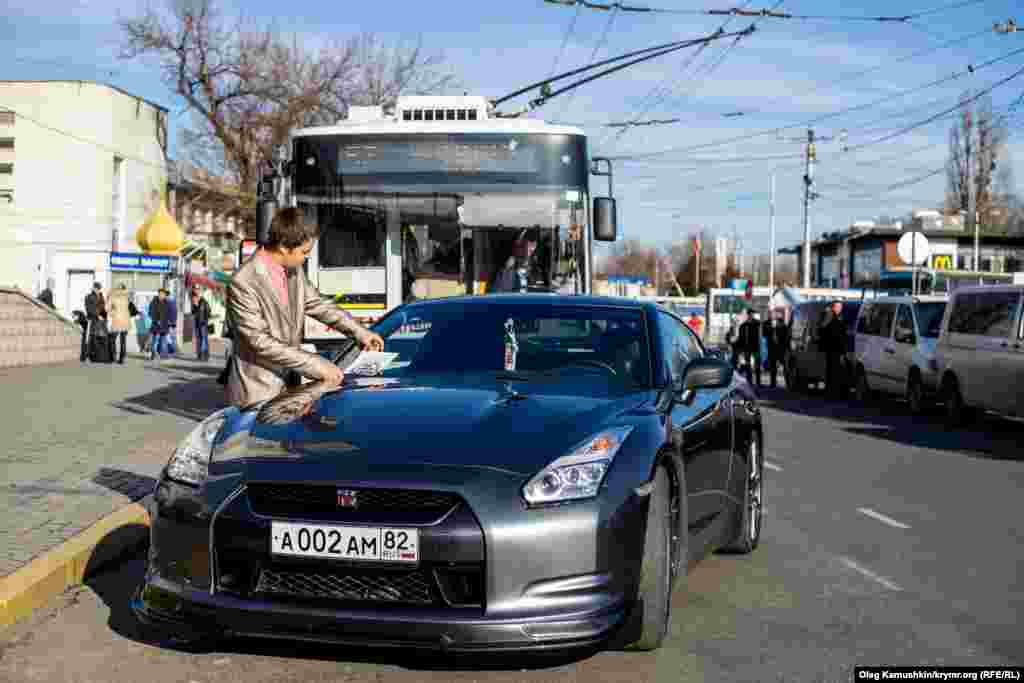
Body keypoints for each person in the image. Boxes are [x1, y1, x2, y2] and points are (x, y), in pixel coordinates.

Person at [226, 206, 384, 408]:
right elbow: (259, 341)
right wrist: (317, 365)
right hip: (257, 393)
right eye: (304, 252)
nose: (307, 257)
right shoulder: (244, 282)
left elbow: (318, 304)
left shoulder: (293, 269)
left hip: (291, 388)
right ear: (283, 246)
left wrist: (360, 332)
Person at [820, 300, 848, 399]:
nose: (839, 309)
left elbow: (843, 333)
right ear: (833, 307)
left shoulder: (841, 317)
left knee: (837, 371)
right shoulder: (830, 316)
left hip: (839, 348)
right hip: (831, 348)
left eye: (840, 307)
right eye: (837, 307)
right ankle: (830, 392)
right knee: (832, 371)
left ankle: (835, 392)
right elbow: (823, 328)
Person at [763, 308, 790, 389]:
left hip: (781, 349)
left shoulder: (784, 326)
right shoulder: (769, 325)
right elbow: (765, 334)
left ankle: (788, 383)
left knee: (785, 366)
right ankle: (773, 383)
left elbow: (786, 338)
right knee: (773, 367)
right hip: (772, 349)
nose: (775, 315)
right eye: (773, 314)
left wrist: (786, 348)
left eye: (776, 314)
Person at [81, 282, 107, 363]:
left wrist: (104, 317)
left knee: (98, 339)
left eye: (99, 289)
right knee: (89, 339)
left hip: (100, 322)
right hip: (91, 320)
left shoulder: (101, 297)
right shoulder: (89, 297)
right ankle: (86, 356)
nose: (98, 290)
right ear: (94, 288)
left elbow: (103, 308)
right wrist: (97, 315)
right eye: (97, 289)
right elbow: (89, 309)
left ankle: (96, 357)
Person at [107, 283, 132, 364]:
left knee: (112, 339)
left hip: (117, 320)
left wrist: (112, 313)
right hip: (125, 320)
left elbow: (107, 307)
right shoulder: (127, 296)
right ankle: (122, 358)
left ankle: (113, 357)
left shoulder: (113, 296)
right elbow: (129, 307)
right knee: (123, 340)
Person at [737, 308, 762, 386]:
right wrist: (740, 349)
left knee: (757, 365)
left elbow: (761, 335)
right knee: (747, 365)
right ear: (747, 315)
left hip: (756, 348)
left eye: (752, 314)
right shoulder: (743, 325)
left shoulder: (758, 324)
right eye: (750, 314)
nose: (751, 316)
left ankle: (758, 382)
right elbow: (741, 338)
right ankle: (749, 380)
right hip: (746, 348)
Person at [148, 289, 172, 360]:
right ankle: (153, 354)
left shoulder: (167, 302)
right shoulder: (154, 302)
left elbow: (169, 313)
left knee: (163, 340)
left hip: (164, 325)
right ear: (159, 294)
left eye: (163, 294)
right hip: (156, 325)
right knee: (155, 340)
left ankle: (162, 354)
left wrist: (169, 321)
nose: (162, 295)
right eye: (161, 294)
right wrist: (156, 320)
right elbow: (150, 313)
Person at [190, 288, 211, 361]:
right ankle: (199, 354)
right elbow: (193, 313)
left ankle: (204, 355)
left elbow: (208, 313)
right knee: (199, 339)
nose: (195, 297)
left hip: (203, 324)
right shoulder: (196, 303)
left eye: (197, 292)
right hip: (197, 323)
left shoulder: (204, 302)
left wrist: (205, 321)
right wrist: (195, 306)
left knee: (203, 339)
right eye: (195, 293)